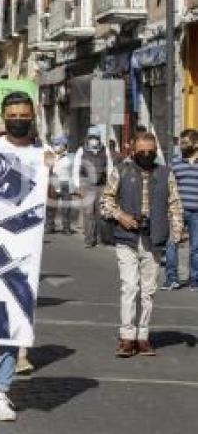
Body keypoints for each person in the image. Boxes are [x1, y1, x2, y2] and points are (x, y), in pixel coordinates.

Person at [0, 92, 53, 422]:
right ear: (4, 117)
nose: (19, 119)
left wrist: (50, 173)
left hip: (21, 250)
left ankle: (3, 392)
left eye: (24, 114)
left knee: (14, 321)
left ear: (33, 117)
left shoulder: (42, 153)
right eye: (13, 114)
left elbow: (52, 196)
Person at [100, 132, 184, 357]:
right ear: (133, 151)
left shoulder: (166, 174)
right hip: (127, 238)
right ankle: (127, 336)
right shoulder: (122, 171)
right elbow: (105, 201)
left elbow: (175, 203)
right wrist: (121, 215)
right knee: (129, 287)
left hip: (153, 239)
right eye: (142, 152)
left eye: (151, 152)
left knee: (149, 290)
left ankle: (143, 336)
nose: (146, 155)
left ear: (156, 151)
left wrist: (176, 235)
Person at [164, 129, 198, 290]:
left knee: (196, 248)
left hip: (197, 212)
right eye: (180, 143)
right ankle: (171, 278)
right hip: (177, 211)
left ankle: (194, 279)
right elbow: (168, 185)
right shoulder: (175, 163)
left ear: (196, 144)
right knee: (172, 244)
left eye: (185, 143)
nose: (182, 146)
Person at [73, 129, 113, 248]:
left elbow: (110, 167)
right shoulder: (81, 150)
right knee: (88, 212)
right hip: (86, 184)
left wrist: (110, 185)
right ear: (87, 137)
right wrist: (77, 186)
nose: (93, 140)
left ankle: (100, 239)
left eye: (95, 137)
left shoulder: (105, 150)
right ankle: (89, 239)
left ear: (99, 138)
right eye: (91, 137)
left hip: (101, 185)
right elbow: (76, 168)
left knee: (100, 213)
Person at [47, 136, 75, 234]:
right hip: (53, 183)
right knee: (50, 206)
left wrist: (76, 186)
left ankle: (66, 227)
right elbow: (45, 170)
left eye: (59, 144)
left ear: (65, 146)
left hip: (66, 183)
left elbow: (75, 172)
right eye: (55, 144)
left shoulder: (72, 156)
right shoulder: (49, 155)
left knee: (66, 208)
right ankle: (50, 226)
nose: (56, 146)